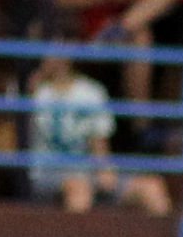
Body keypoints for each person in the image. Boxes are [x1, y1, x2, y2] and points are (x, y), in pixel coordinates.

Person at [27, 45, 173, 214]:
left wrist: (104, 170)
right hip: (47, 173)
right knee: (78, 189)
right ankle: (77, 233)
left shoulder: (90, 92)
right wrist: (32, 88)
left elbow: (99, 146)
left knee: (153, 187)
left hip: (87, 171)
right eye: (49, 48)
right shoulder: (31, 92)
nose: (54, 55)